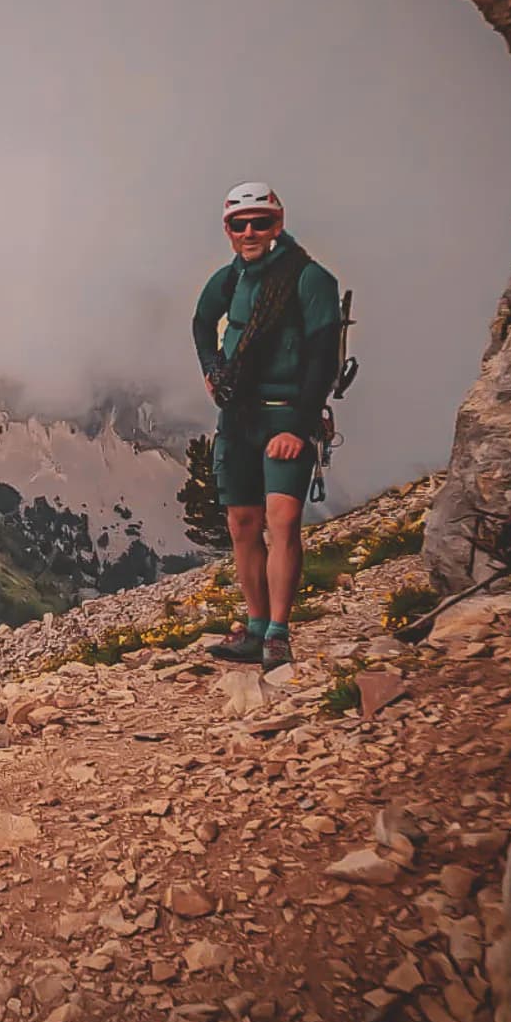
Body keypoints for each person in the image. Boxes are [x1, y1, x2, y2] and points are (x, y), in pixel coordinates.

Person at [190, 182, 342, 667]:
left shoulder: (311, 279)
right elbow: (200, 322)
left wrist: (298, 427)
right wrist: (212, 372)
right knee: (242, 524)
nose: (251, 231)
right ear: (228, 230)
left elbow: (322, 359)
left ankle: (278, 631)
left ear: (278, 223)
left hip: (286, 414)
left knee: (283, 521)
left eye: (261, 221)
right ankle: (255, 628)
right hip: (239, 417)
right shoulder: (229, 279)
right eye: (241, 223)